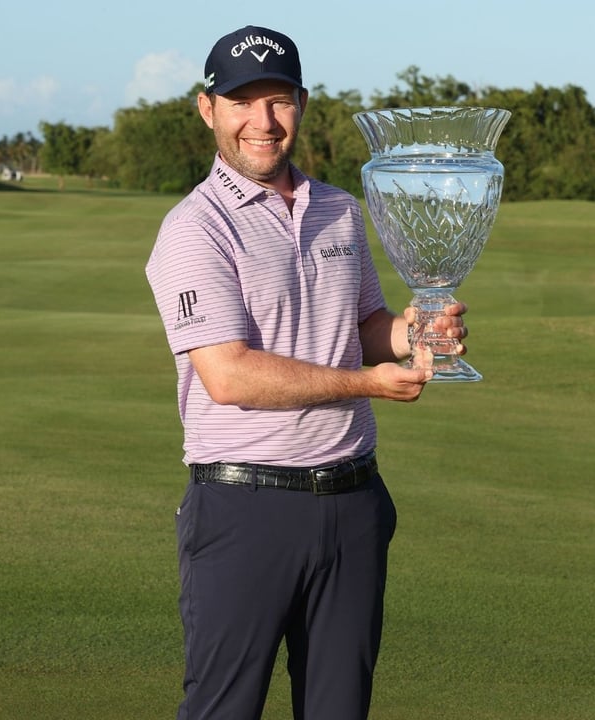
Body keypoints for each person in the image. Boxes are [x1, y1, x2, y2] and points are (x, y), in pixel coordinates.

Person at [145, 25, 467, 718]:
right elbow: (229, 377)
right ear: (209, 109)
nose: (262, 122)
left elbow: (361, 329)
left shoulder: (340, 210)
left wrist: (417, 330)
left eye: (279, 101)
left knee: (338, 709)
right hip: (245, 508)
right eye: (242, 102)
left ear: (303, 103)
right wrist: (369, 384)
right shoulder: (194, 229)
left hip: (353, 503)